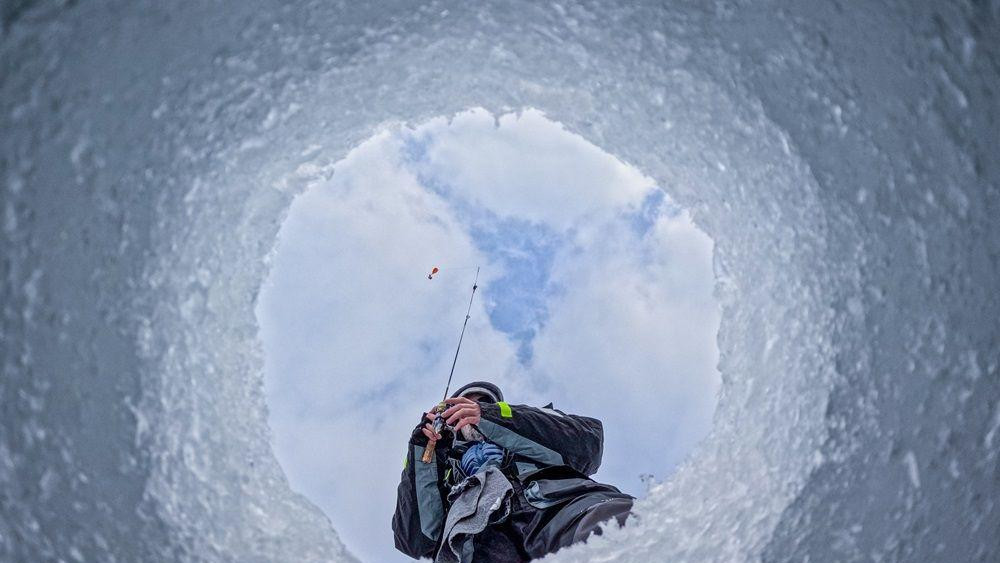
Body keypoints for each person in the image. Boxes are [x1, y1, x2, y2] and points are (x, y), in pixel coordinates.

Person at [392, 381, 633, 562]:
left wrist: (491, 417)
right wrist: (423, 453)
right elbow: (415, 538)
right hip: (472, 539)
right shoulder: (444, 469)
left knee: (616, 528)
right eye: (460, 406)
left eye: (483, 402)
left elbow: (587, 444)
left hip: (556, 504)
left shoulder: (531, 423)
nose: (471, 409)